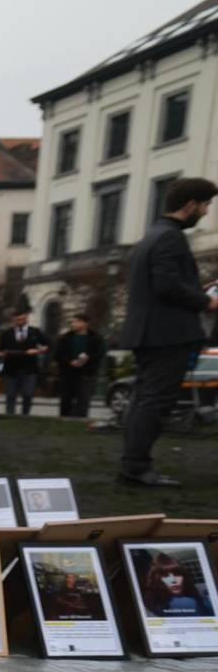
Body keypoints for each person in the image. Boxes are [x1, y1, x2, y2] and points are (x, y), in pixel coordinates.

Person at [118, 178, 218, 486]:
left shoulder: (152, 235)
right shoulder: (171, 238)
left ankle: (133, 464)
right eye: (205, 205)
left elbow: (160, 283)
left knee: (144, 399)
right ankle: (137, 467)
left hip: (150, 332)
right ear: (190, 205)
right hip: (166, 334)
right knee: (155, 401)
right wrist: (207, 301)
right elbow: (166, 286)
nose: (206, 211)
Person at [53, 311, 107, 418]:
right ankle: (64, 419)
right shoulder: (65, 338)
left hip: (87, 373)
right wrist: (70, 361)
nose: (73, 324)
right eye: (72, 322)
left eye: (77, 322)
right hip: (68, 372)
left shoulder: (96, 338)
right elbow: (58, 354)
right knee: (66, 398)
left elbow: (100, 353)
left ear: (85, 323)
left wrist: (88, 358)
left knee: (83, 398)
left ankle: (81, 420)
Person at [0, 310, 49, 417]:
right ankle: (10, 415)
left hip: (29, 367)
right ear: (13, 320)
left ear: (26, 319)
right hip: (11, 368)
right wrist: (3, 354)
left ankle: (25, 415)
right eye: (17, 319)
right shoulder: (7, 333)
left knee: (28, 394)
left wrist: (38, 351)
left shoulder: (35, 332)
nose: (20, 321)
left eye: (22, 318)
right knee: (10, 395)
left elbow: (47, 345)